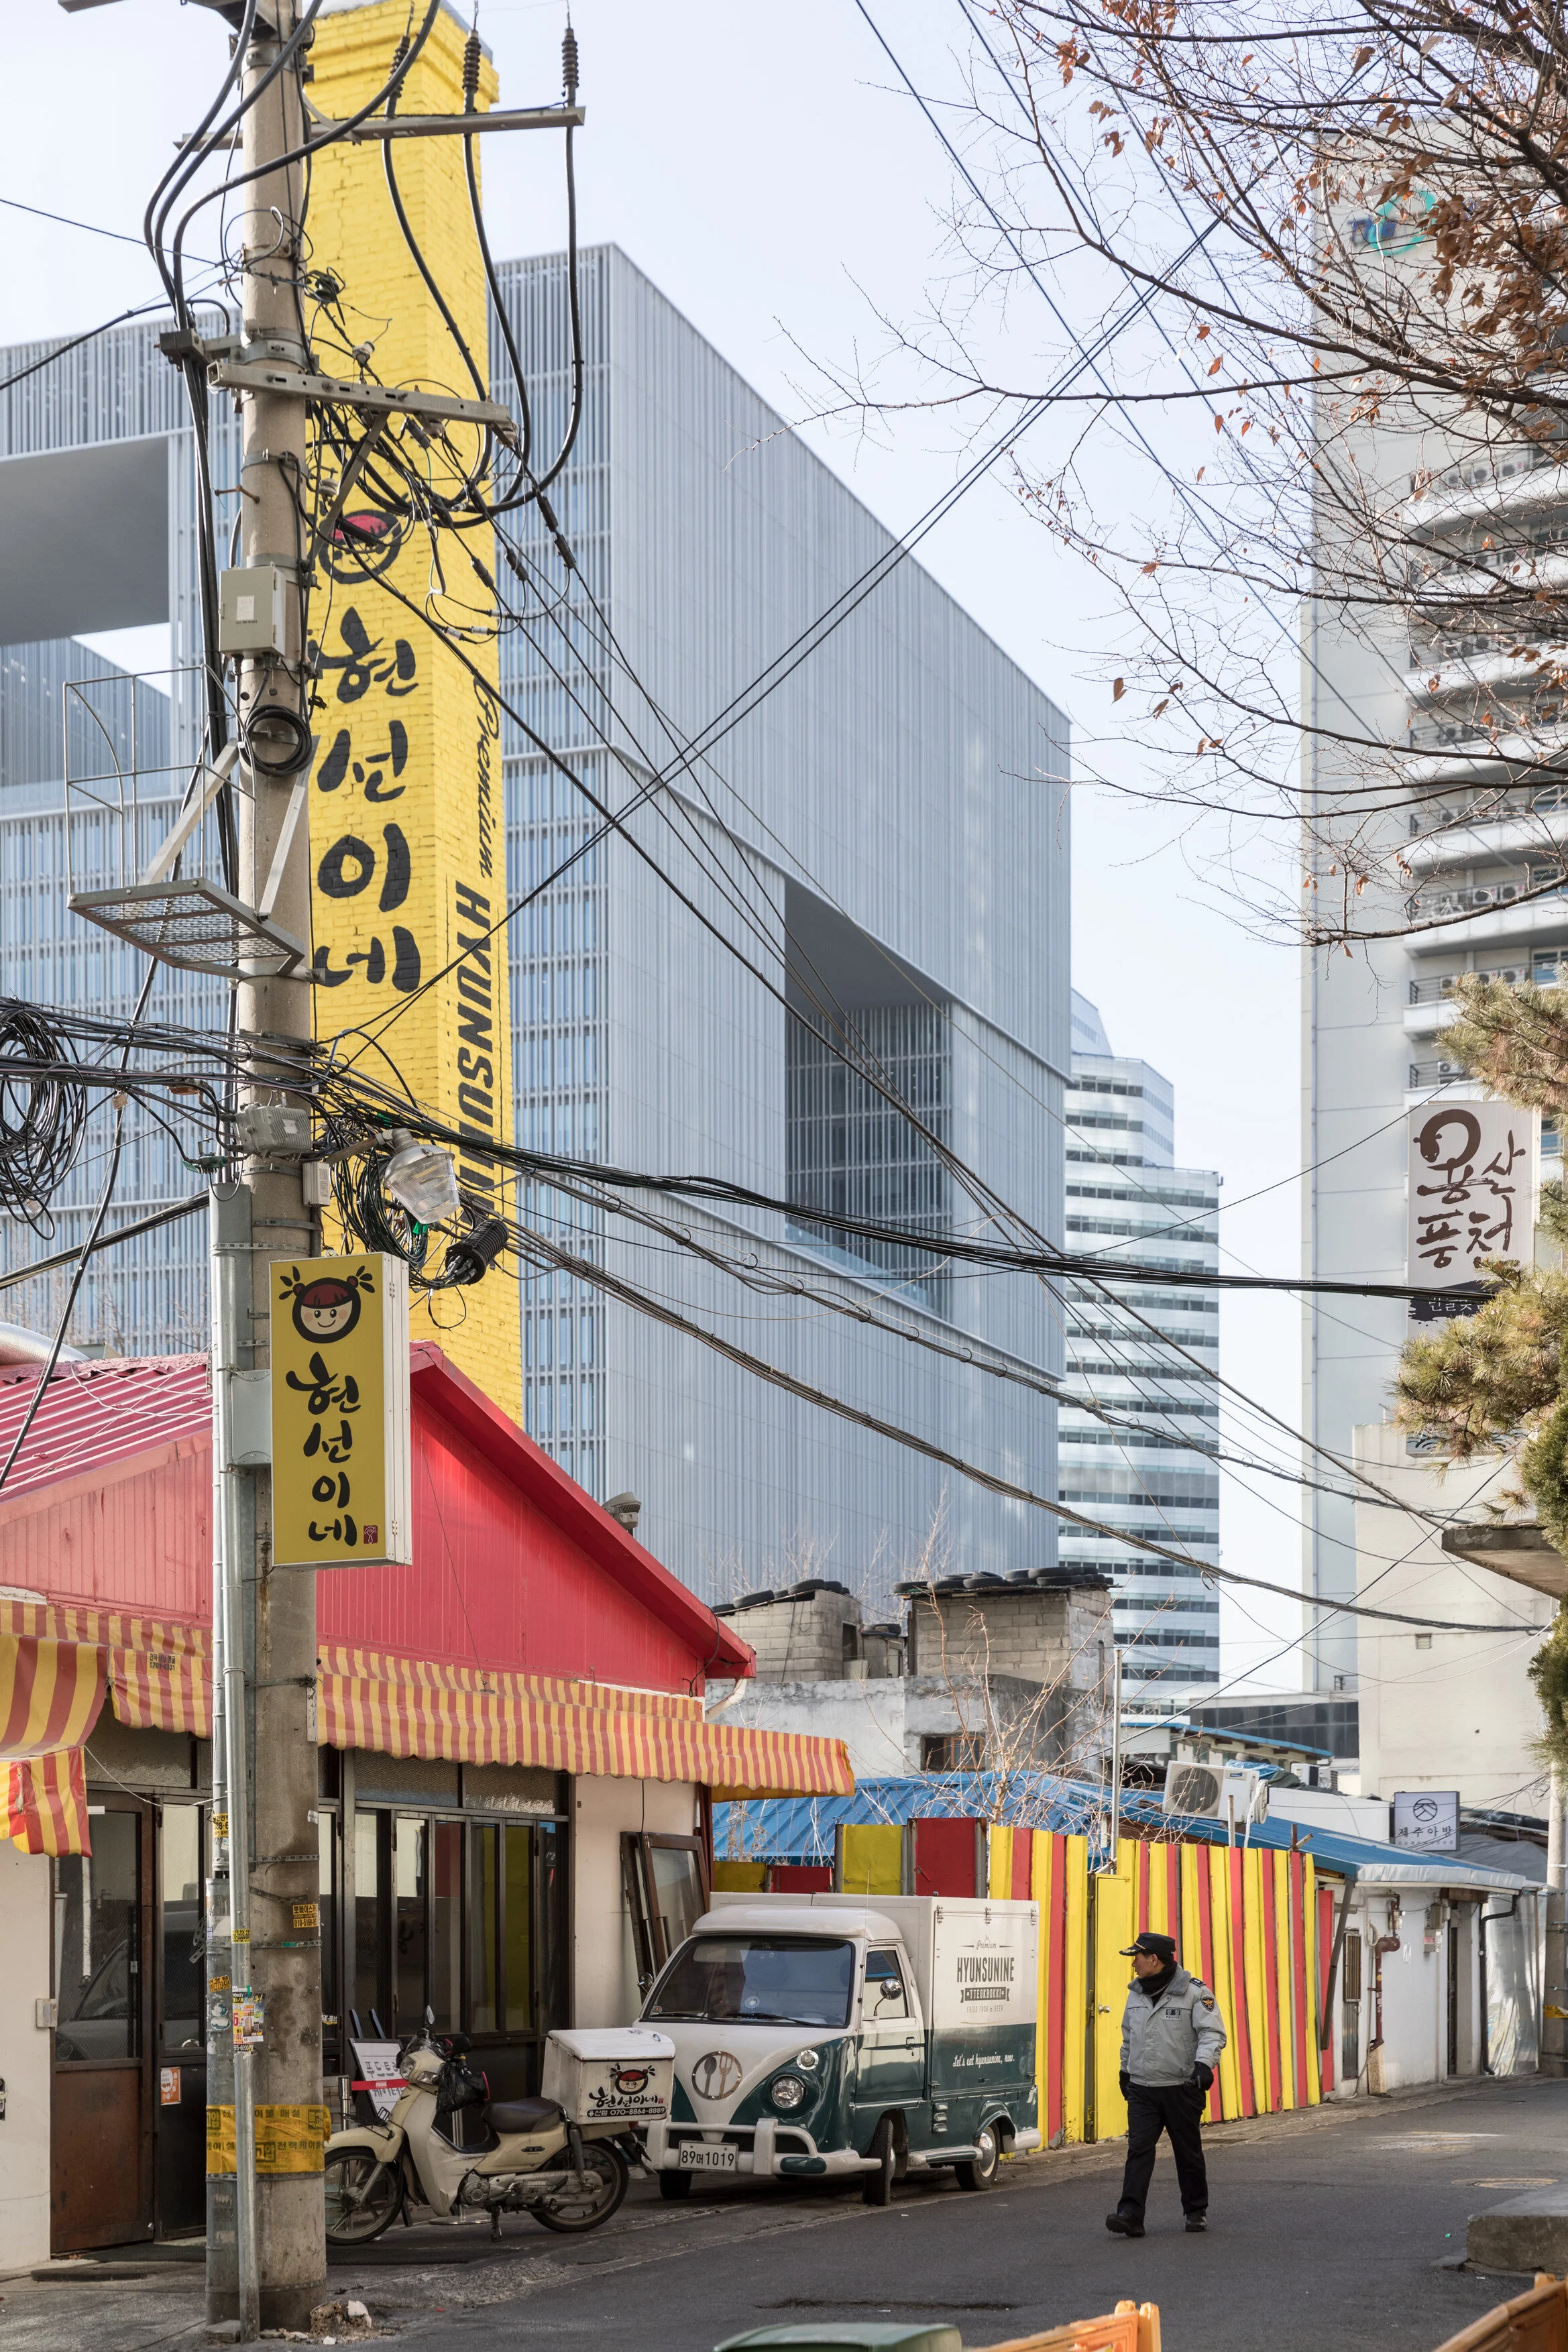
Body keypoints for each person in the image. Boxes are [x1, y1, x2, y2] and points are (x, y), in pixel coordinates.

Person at [1105, 1928, 1227, 2239]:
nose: (1134, 1964)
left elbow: (1211, 2033)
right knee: (1139, 2150)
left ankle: (1195, 2211)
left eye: (1137, 1957)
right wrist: (1125, 2071)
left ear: (1154, 1959)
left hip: (1181, 2087)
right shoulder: (1135, 1993)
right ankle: (1130, 2214)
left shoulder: (1196, 1993)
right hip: (1143, 2089)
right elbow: (1128, 2038)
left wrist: (1203, 2065)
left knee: (1187, 2151)